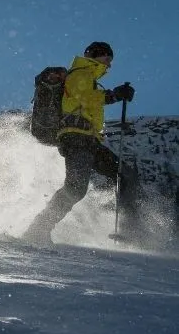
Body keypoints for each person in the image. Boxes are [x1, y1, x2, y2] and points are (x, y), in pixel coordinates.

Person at [23, 41, 136, 244]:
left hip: (89, 140)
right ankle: (38, 229)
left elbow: (89, 101)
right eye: (107, 59)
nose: (109, 65)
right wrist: (114, 95)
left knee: (123, 175)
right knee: (75, 188)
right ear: (95, 55)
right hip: (76, 138)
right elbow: (86, 98)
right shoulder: (79, 73)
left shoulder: (90, 77)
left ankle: (131, 230)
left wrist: (112, 95)